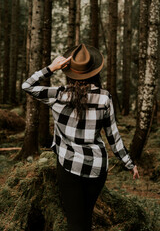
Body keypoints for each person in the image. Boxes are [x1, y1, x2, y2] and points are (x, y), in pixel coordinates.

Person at [22, 43, 139, 231]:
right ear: (94, 72)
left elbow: (27, 85)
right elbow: (113, 136)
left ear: (70, 72)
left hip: (69, 166)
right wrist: (129, 163)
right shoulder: (104, 98)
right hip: (97, 168)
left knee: (75, 223)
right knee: (85, 219)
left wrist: (51, 68)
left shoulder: (59, 95)